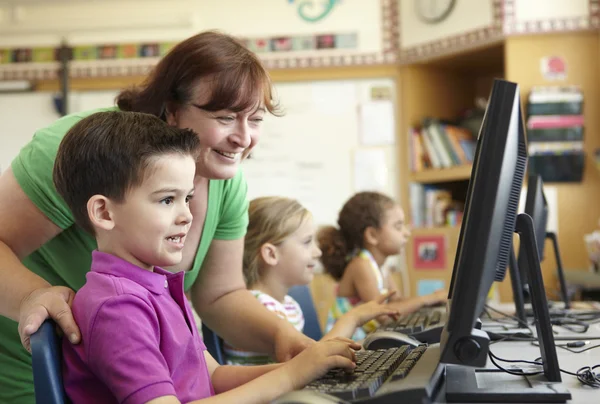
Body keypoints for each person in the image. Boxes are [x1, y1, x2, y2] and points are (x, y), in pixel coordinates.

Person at [0, 31, 312, 403]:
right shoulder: (86, 150)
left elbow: (220, 295)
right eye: (226, 117)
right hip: (28, 373)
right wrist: (34, 296)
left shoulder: (225, 182)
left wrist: (286, 340)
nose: (243, 137)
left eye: (256, 119)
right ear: (172, 108)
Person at [55, 111, 359, 404]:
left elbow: (212, 376)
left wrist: (310, 368)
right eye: (166, 200)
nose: (186, 215)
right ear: (104, 212)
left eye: (187, 198)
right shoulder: (117, 307)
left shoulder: (158, 286)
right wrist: (291, 376)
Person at [224, 196, 398, 365]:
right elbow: (307, 364)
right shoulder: (259, 309)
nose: (317, 252)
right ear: (271, 254)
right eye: (307, 242)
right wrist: (353, 318)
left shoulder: (287, 305)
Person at [318, 191, 447, 340]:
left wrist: (432, 303)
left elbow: (398, 302)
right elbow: (384, 315)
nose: (407, 233)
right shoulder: (361, 265)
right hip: (344, 346)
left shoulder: (381, 267)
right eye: (398, 226)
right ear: (372, 235)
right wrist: (428, 298)